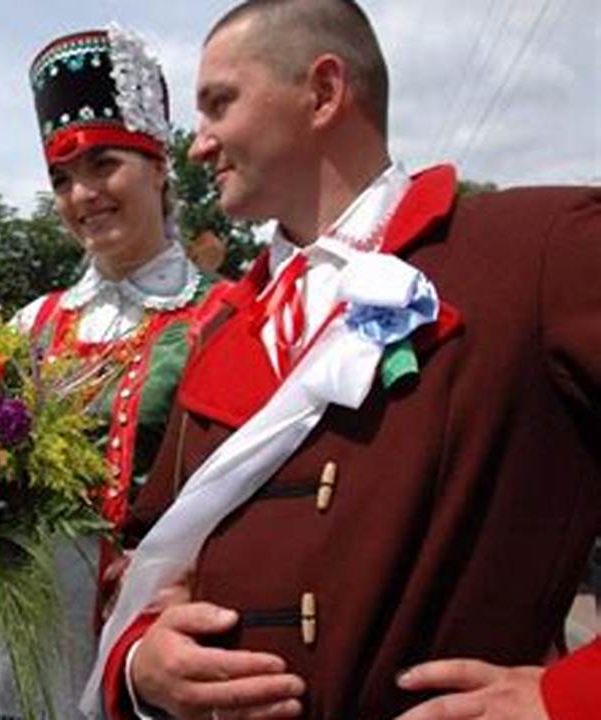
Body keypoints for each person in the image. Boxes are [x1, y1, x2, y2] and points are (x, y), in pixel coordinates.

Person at [92, 1, 601, 719]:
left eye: (219, 104)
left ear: (323, 92)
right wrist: (143, 660)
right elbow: (138, 564)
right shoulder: (218, 329)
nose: (196, 145)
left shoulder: (532, 250)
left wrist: (572, 697)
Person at [0, 26, 209, 720]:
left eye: (103, 165)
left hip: (152, 645)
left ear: (159, 166)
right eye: (62, 178)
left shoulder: (223, 316)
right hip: (23, 645)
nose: (82, 194)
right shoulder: (30, 326)